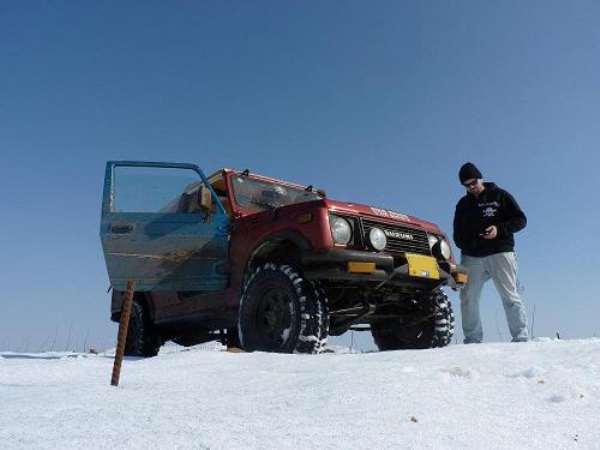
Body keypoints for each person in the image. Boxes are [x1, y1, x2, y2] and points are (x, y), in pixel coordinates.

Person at [453, 162, 529, 343]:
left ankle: (520, 336)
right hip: (471, 257)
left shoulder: (501, 195)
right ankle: (472, 339)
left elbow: (521, 220)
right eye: (467, 185)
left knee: (509, 295)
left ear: (481, 178)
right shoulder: (462, 204)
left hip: (500, 252)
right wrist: (470, 243)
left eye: (474, 182)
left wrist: (499, 229)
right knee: (467, 297)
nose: (472, 187)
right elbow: (457, 234)